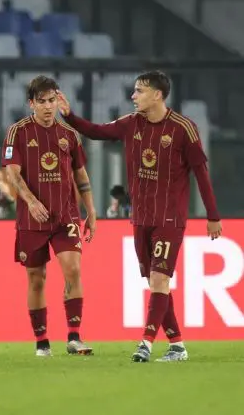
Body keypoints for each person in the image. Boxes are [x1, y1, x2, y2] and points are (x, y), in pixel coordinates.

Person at [57, 70, 222, 362]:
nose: (133, 96)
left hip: (170, 218)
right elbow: (96, 131)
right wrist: (69, 115)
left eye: (139, 91)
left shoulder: (185, 128)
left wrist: (213, 215)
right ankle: (178, 346)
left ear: (157, 95)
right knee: (154, 282)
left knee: (160, 279)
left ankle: (145, 343)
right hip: (141, 217)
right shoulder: (131, 123)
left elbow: (201, 173)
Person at [1, 76, 96, 357]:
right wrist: (30, 201)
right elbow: (12, 172)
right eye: (41, 101)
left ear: (58, 101)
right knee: (36, 277)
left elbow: (80, 174)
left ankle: (74, 336)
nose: (47, 106)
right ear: (31, 103)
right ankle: (42, 341)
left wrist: (90, 210)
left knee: (73, 269)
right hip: (32, 219)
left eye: (51, 100)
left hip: (65, 216)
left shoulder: (69, 135)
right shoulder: (17, 132)